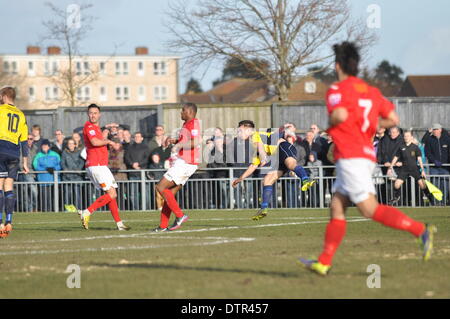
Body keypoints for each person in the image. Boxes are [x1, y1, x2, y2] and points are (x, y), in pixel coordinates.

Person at [299, 41, 436, 276]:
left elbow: (339, 114)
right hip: (360, 155)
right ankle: (324, 261)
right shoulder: (371, 92)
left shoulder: (336, 91)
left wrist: (333, 123)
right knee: (337, 205)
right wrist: (370, 124)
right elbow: (393, 119)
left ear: (337, 65)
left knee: (369, 209)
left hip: (351, 156)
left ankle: (420, 230)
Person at [232, 121, 315, 221]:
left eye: (240, 130)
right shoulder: (252, 144)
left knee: (291, 164)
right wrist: (240, 179)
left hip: (283, 146)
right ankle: (263, 208)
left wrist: (263, 157)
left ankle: (305, 179)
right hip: (277, 157)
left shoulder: (254, 135)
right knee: (267, 180)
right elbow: (253, 165)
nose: (238, 132)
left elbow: (260, 147)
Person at [77, 104, 130, 231]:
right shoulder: (89, 127)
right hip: (96, 165)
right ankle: (87, 211)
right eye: (91, 113)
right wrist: (109, 142)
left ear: (99, 114)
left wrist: (107, 141)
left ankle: (119, 224)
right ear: (88, 114)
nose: (93, 115)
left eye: (95, 113)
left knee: (111, 194)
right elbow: (95, 142)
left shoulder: (96, 128)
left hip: (100, 165)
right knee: (112, 193)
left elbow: (99, 143)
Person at [152, 103, 201, 232]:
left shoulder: (193, 123)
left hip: (185, 162)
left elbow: (195, 142)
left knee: (160, 187)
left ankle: (180, 215)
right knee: (170, 195)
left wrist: (179, 146)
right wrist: (175, 141)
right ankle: (163, 226)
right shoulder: (186, 124)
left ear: (190, 112)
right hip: (185, 163)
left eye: (183, 110)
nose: (181, 113)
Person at [0, 87, 29, 238]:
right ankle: (9, 221)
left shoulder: (0, 110)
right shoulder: (21, 115)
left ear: (4, 96)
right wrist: (25, 161)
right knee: (9, 187)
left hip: (1, 149)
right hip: (14, 154)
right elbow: (24, 141)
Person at [387, 131, 434, 206]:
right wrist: (390, 167)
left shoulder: (415, 147)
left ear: (411, 137)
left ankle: (430, 197)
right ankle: (397, 196)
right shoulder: (401, 147)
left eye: (408, 136)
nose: (406, 137)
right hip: (404, 169)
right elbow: (396, 157)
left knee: (422, 185)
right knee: (396, 184)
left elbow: (419, 159)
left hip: (414, 169)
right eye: (405, 136)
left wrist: (422, 170)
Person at [124, 132, 152, 210]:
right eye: (135, 136)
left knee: (145, 193)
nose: (137, 138)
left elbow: (147, 159)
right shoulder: (130, 147)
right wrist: (132, 164)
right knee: (133, 193)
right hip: (133, 173)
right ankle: (135, 209)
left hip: (143, 173)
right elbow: (126, 158)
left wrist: (139, 164)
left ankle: (146, 209)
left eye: (138, 136)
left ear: (142, 138)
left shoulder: (146, 147)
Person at [424, 123, 450, 205]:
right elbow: (427, 153)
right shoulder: (429, 140)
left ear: (440, 130)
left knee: (445, 185)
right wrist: (434, 161)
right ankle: (436, 202)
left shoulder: (447, 139)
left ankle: (443, 202)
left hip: (445, 168)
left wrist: (447, 163)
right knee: (435, 185)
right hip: (434, 167)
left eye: (436, 129)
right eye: (434, 129)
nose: (435, 131)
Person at [33, 139, 61, 212]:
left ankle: (54, 210)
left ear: (49, 146)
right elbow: (35, 166)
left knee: (53, 197)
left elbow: (60, 165)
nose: (44, 146)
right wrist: (45, 169)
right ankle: (45, 210)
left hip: (54, 180)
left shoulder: (55, 154)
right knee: (44, 197)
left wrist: (54, 169)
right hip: (43, 180)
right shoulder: (38, 155)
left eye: (46, 145)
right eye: (43, 145)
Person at [61, 138, 85, 210]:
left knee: (77, 194)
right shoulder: (64, 153)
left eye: (72, 143)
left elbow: (81, 162)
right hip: (67, 177)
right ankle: (68, 209)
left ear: (75, 145)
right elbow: (62, 163)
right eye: (69, 144)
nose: (71, 145)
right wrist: (65, 169)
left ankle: (78, 209)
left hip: (77, 177)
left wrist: (78, 169)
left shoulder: (79, 152)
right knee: (67, 194)